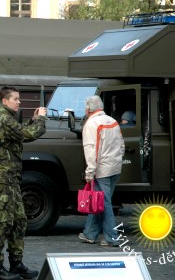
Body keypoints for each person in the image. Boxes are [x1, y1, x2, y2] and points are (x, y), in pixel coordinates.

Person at [0, 86, 47, 280]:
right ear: (5, 101)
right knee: (2, 223)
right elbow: (28, 135)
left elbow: (20, 133)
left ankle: (16, 264)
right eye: (16, 99)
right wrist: (40, 120)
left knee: (19, 221)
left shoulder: (7, 118)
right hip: (2, 179)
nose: (19, 102)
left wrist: (33, 120)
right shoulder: (3, 118)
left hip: (11, 179)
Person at [78, 95, 125, 248]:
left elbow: (91, 149)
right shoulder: (112, 121)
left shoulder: (91, 124)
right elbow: (121, 145)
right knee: (99, 202)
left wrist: (89, 172)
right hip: (115, 167)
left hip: (102, 169)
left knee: (104, 204)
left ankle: (112, 238)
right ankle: (89, 234)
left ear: (89, 109)